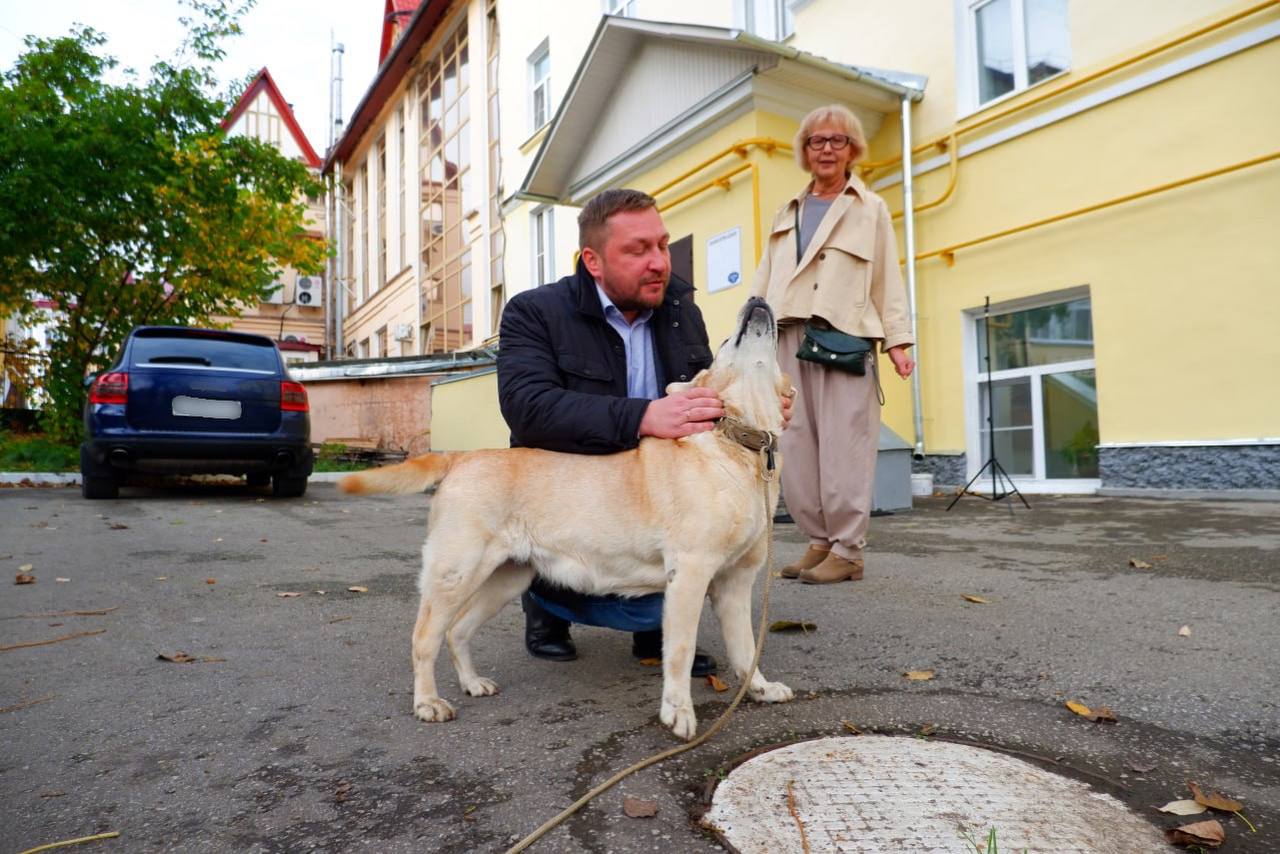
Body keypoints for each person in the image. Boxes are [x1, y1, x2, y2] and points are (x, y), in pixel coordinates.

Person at [496, 188, 725, 676]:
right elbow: (527, 409)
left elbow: (704, 393)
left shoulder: (681, 309)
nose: (659, 262)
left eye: (662, 245)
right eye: (637, 250)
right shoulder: (533, 312)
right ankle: (546, 608)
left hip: (652, 489)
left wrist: (753, 408)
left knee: (687, 527)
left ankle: (657, 630)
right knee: (559, 560)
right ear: (593, 261)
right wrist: (642, 416)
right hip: (568, 489)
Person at [751, 104, 915, 584]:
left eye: (836, 141)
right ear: (805, 151)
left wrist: (899, 341)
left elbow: (888, 275)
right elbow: (764, 279)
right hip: (788, 336)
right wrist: (750, 338)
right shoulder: (787, 212)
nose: (826, 149)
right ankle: (819, 540)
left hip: (843, 335)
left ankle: (848, 550)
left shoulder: (871, 208)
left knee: (845, 445)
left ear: (852, 150)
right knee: (796, 443)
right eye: (816, 141)